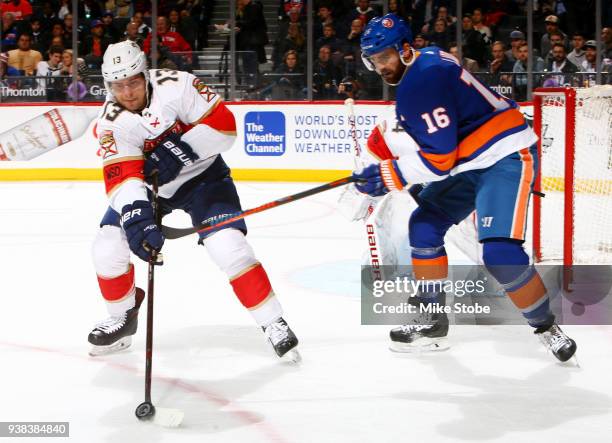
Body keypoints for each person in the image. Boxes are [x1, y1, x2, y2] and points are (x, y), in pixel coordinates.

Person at [354, 13, 577, 362]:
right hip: (474, 159)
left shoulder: (418, 85)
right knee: (424, 226)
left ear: (406, 49)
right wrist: (400, 176)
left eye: (385, 57)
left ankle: (545, 326)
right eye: (374, 60)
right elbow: (445, 147)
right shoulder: (429, 60)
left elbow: (440, 160)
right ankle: (432, 317)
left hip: (505, 155)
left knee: (499, 254)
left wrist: (388, 176)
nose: (380, 66)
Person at [87, 41, 299, 360]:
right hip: (152, 187)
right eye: (118, 85)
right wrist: (136, 217)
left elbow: (225, 127)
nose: (127, 93)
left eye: (133, 81)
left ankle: (273, 322)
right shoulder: (110, 121)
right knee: (107, 245)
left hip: (205, 179)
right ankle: (122, 317)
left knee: (229, 247)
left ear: (145, 74)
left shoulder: (177, 85)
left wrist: (180, 150)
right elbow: (122, 180)